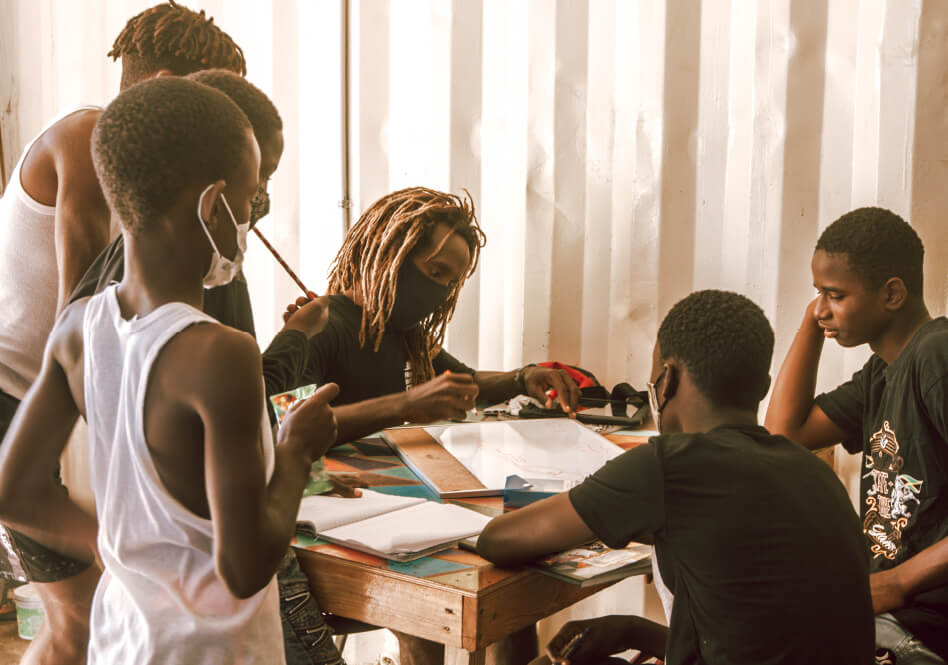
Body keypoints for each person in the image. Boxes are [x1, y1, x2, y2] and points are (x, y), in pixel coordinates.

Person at [0, 76, 338, 664]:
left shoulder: (77, 327)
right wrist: (294, 454)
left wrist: (116, 548)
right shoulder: (220, 353)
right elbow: (244, 568)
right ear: (212, 204)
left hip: (122, 638)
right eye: (250, 198)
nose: (251, 219)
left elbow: (13, 491)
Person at [0, 4, 246, 661]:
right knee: (79, 617)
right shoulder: (86, 136)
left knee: (86, 611)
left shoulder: (145, 190)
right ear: (163, 86)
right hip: (9, 395)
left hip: (39, 394)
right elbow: (84, 310)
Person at [477, 289, 875, 665]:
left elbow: (499, 541)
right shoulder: (813, 473)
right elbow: (752, 641)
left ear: (665, 380)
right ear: (762, 387)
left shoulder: (668, 466)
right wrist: (631, 629)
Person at [285, 186, 583, 665]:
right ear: (390, 252)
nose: (441, 291)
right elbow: (288, 428)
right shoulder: (321, 324)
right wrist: (403, 402)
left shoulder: (402, 335)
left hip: (389, 509)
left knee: (512, 584)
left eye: (452, 282)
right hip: (330, 519)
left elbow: (460, 384)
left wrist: (524, 377)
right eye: (435, 273)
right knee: (424, 617)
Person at [765, 207, 948, 663]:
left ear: (891, 294)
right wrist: (813, 321)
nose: (822, 308)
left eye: (835, 294)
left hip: (928, 620)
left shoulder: (936, 356)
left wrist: (897, 582)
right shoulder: (880, 374)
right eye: (817, 295)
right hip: (892, 609)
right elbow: (784, 433)